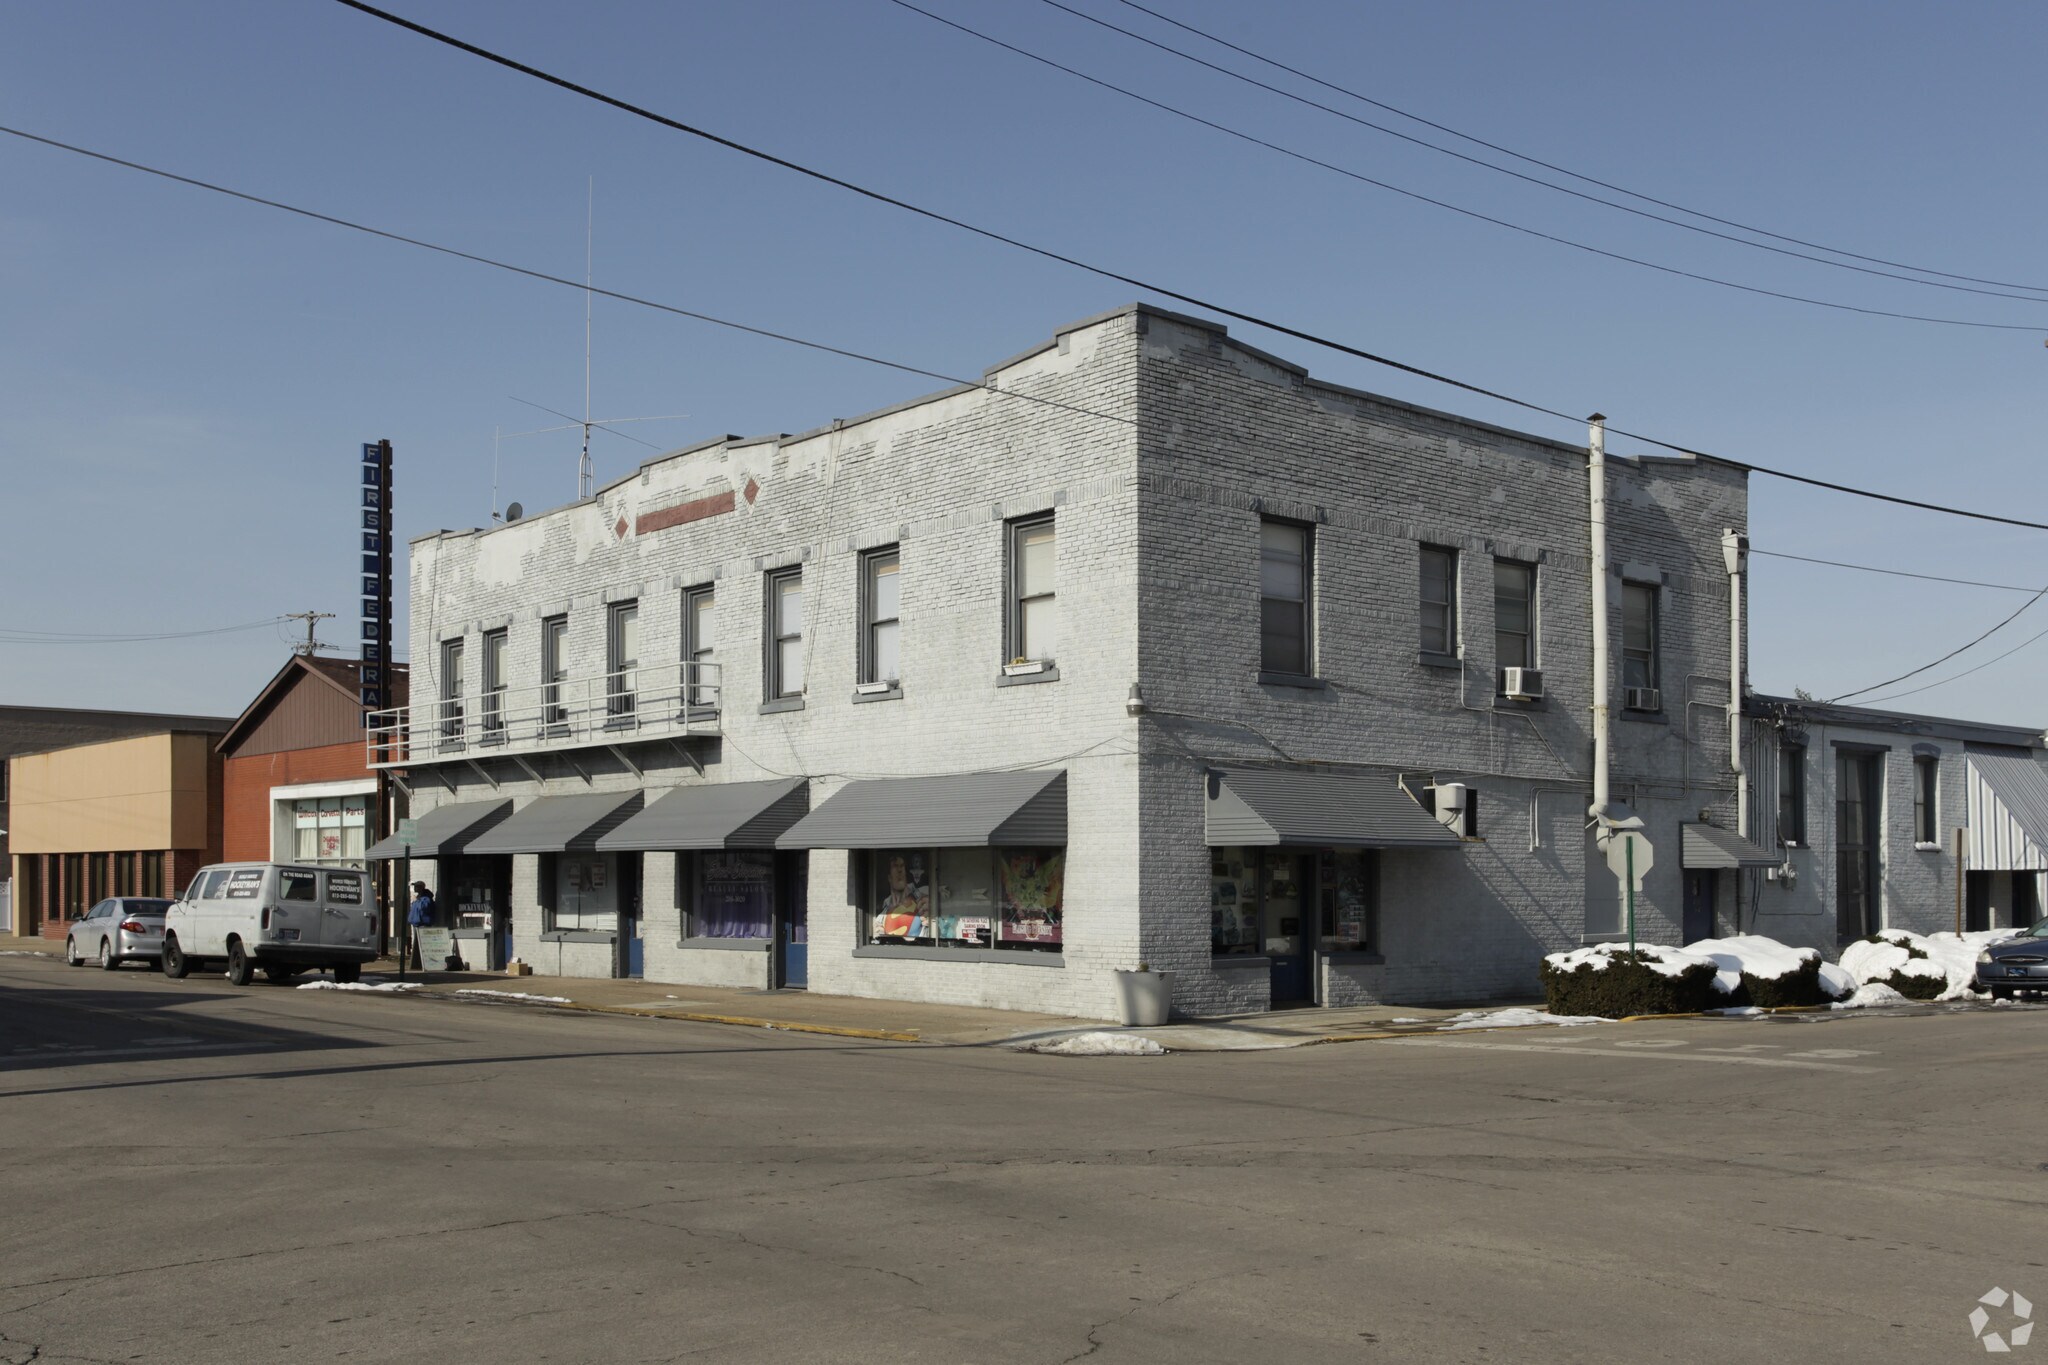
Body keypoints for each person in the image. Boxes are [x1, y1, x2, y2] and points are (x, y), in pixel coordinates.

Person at [406, 881, 436, 970]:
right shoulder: (418, 898)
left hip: (423, 925)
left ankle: (427, 964)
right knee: (417, 947)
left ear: (421, 887)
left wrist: (417, 901)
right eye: (414, 886)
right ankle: (417, 964)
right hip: (416, 924)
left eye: (417, 886)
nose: (415, 888)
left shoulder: (426, 898)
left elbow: (424, 908)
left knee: (424, 946)